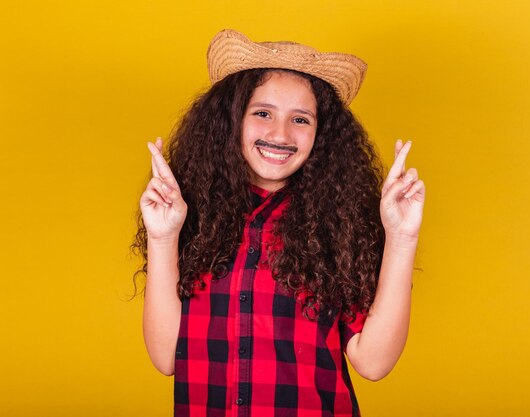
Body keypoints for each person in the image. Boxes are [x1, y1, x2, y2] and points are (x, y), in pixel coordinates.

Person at [133, 29, 425, 417]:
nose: (280, 134)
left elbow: (373, 362)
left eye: (300, 119)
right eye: (263, 113)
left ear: (321, 135)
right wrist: (162, 236)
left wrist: (402, 237)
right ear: (231, 120)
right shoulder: (189, 215)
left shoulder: (342, 225)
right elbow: (168, 357)